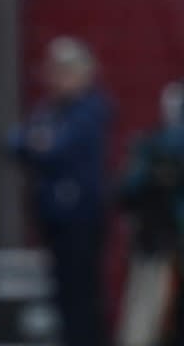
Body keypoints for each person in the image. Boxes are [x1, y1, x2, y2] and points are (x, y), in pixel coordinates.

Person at [9, 36, 111, 346]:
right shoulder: (50, 109)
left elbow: (56, 149)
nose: (59, 79)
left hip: (80, 215)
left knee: (82, 293)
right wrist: (36, 143)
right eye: (55, 71)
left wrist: (38, 144)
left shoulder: (90, 109)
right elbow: (17, 141)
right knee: (62, 294)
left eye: (67, 71)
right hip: (52, 214)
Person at [117, 81, 184, 346]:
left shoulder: (150, 146)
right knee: (147, 306)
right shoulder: (153, 146)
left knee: (145, 312)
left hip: (158, 239)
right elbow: (128, 191)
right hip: (159, 238)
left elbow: (126, 191)